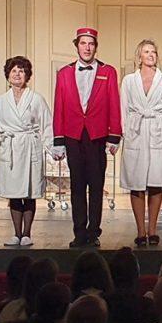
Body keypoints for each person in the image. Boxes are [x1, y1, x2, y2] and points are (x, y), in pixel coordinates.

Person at [51, 27, 122, 248]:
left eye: (91, 44)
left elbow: (114, 103)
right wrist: (58, 139)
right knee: (77, 185)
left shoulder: (108, 71)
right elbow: (59, 106)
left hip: (97, 135)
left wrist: (114, 135)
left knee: (96, 185)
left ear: (95, 47)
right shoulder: (64, 73)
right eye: (83, 43)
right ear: (77, 46)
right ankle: (79, 232)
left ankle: (94, 232)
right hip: (73, 135)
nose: (87, 48)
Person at [0, 56, 53, 247]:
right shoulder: (0, 102)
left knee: (29, 193)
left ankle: (27, 233)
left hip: (30, 147)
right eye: (14, 70)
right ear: (8, 75)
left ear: (27, 75)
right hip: (11, 150)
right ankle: (16, 233)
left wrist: (54, 148)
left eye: (21, 71)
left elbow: (47, 125)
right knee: (14, 193)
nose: (17, 74)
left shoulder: (36, 99)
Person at [120, 39, 162, 247]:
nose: (151, 55)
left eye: (153, 52)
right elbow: (123, 108)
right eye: (146, 51)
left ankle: (152, 230)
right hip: (135, 132)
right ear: (139, 56)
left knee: (155, 182)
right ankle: (140, 231)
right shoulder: (128, 81)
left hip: (156, 131)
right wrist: (125, 133)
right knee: (136, 183)